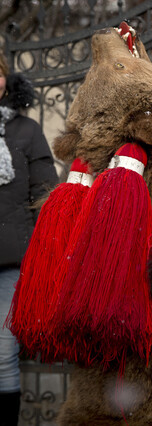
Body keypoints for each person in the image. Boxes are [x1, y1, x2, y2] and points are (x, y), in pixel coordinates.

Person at [0, 52, 58, 426]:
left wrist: (41, 253)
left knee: (3, 354)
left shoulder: (26, 130)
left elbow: (46, 194)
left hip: (11, 260)